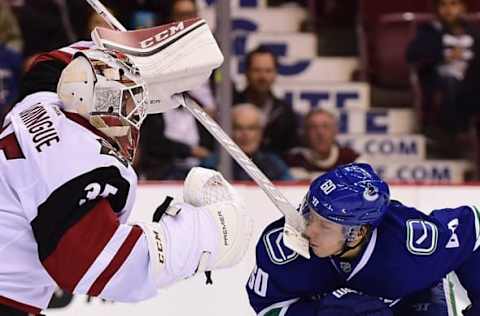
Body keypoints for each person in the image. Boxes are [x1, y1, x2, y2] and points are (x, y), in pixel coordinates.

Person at [0, 39, 253, 315]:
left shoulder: (41, 105)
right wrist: (209, 233)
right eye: (128, 103)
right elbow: (91, 262)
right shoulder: (75, 164)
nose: (135, 118)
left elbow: (50, 65)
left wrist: (131, 51)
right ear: (96, 104)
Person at [247, 162, 479, 315]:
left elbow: (475, 227)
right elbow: (269, 308)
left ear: (357, 233)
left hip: (412, 302)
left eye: (325, 225)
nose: (309, 231)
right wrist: (321, 311)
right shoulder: (283, 248)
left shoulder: (409, 251)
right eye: (309, 214)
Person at [406, 0, 480, 157]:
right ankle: (453, 137)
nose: (448, 9)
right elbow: (412, 56)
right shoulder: (429, 31)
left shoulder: (475, 34)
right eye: (443, 5)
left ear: (462, 8)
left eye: (453, 4)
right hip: (438, 83)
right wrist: (444, 56)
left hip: (471, 83)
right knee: (450, 84)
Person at [234, 46, 299, 158]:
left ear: (275, 74)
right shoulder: (230, 107)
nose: (262, 77)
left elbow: (290, 151)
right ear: (247, 73)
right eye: (257, 70)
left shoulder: (285, 112)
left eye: (268, 71)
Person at [201, 103, 292, 181]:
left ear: (261, 132)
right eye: (238, 128)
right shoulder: (212, 165)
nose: (245, 134)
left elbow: (291, 190)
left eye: (251, 128)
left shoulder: (274, 164)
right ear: (229, 131)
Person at [286, 108, 360, 180]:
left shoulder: (351, 159)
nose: (320, 133)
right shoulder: (295, 161)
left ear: (335, 131)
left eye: (326, 126)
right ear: (306, 132)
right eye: (313, 127)